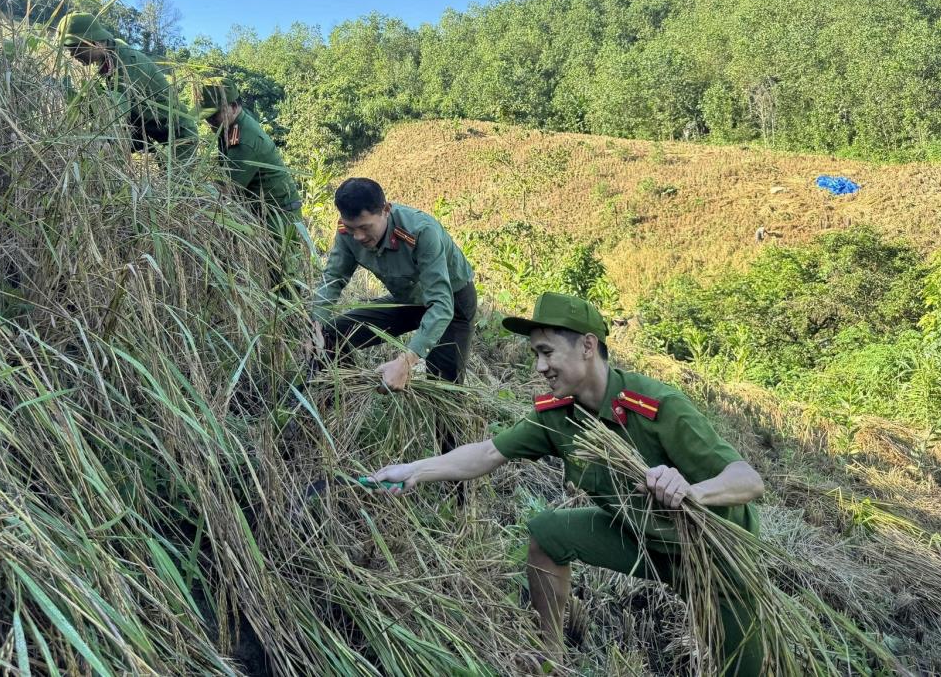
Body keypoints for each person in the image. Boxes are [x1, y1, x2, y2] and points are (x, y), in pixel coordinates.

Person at [368, 291, 765, 675]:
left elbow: (748, 480)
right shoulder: (558, 416)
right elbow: (487, 453)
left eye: (547, 352)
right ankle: (551, 658)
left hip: (716, 556)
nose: (540, 367)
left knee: (742, 667)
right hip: (641, 538)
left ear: (588, 346)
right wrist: (413, 470)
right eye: (535, 355)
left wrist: (693, 492)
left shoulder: (656, 406)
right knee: (548, 535)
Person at [312, 178, 476, 400]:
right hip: (409, 299)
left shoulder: (420, 231)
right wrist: (315, 326)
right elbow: (333, 278)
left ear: (386, 210)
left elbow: (441, 304)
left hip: (451, 303)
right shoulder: (347, 233)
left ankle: (446, 423)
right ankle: (347, 401)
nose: (358, 236)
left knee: (443, 389)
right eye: (351, 228)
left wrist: (406, 361)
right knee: (330, 335)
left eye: (365, 227)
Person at [198, 72, 315, 290]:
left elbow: (226, 190)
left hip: (279, 215)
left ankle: (294, 312)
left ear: (234, 106)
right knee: (273, 275)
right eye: (207, 116)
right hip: (263, 212)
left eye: (215, 115)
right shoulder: (232, 125)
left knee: (283, 276)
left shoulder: (245, 141)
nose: (210, 121)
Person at [56, 12, 197, 155]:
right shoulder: (109, 54)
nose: (72, 55)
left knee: (105, 151)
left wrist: (100, 142)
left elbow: (116, 111)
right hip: (146, 129)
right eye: (69, 50)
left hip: (179, 136)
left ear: (94, 43)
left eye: (76, 49)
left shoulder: (127, 62)